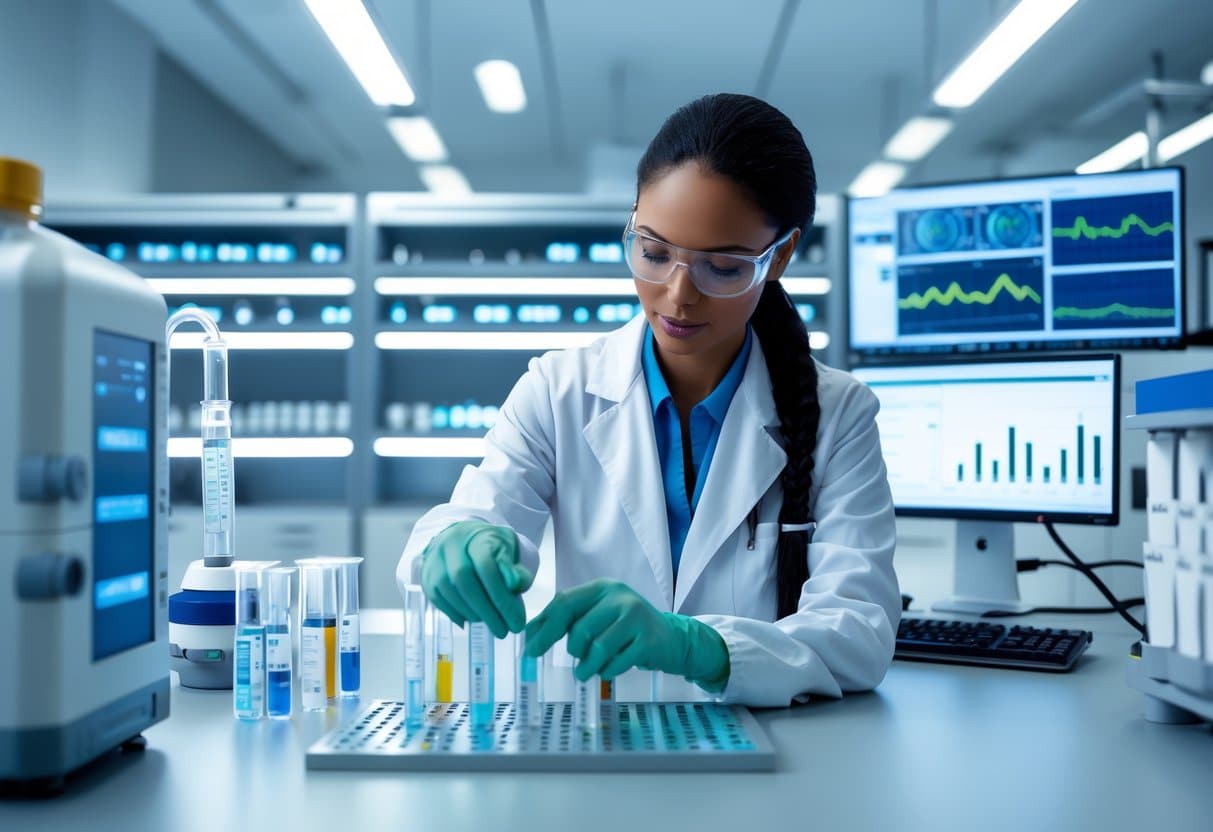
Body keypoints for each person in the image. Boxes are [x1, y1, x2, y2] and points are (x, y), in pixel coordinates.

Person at [397, 93, 899, 706]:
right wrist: (461, 541)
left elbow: (859, 633)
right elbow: (472, 517)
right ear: (633, 222)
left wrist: (695, 645)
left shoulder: (839, 415)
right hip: (593, 732)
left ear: (781, 256)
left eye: (722, 267)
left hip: (764, 759)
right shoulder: (559, 391)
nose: (677, 296)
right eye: (654, 253)